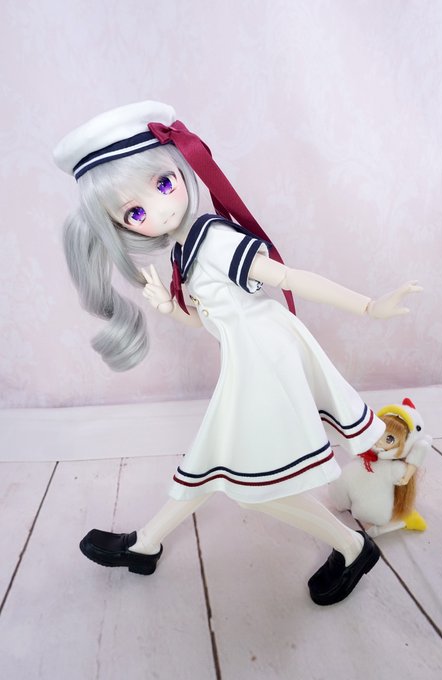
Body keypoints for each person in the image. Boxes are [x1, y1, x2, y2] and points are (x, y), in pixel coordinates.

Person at [53, 100, 421, 605]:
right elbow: (212, 321)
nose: (159, 210)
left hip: (266, 360)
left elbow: (288, 277)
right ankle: (146, 544)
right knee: (213, 465)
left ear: (182, 169)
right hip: (247, 360)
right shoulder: (185, 249)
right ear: (123, 229)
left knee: (249, 483)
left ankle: (353, 547)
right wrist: (169, 308)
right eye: (135, 213)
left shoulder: (215, 239)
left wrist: (370, 306)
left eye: (164, 184)